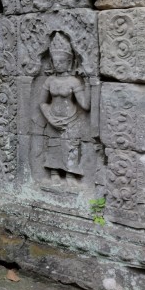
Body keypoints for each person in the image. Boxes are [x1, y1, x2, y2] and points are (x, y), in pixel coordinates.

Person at [37, 31, 89, 182]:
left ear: (70, 62)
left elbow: (85, 105)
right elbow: (42, 102)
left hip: (71, 120)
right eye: (55, 61)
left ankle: (70, 174)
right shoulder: (49, 81)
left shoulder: (74, 82)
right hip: (53, 118)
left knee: (71, 147)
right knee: (53, 146)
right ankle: (54, 173)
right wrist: (50, 118)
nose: (58, 64)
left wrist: (89, 83)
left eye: (62, 61)